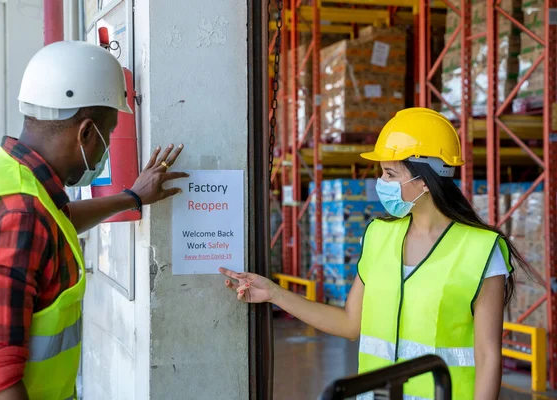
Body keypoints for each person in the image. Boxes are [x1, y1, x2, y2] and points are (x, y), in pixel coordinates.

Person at [220, 107, 531, 400]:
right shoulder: (379, 235)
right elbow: (349, 323)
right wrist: (275, 294)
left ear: (424, 179)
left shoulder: (481, 249)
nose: (381, 183)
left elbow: (489, 356)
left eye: (390, 174)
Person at [0, 41, 188, 400]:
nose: (106, 147)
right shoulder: (18, 216)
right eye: (108, 133)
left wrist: (133, 198)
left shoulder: (7, 175)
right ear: (85, 132)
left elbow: (55, 221)